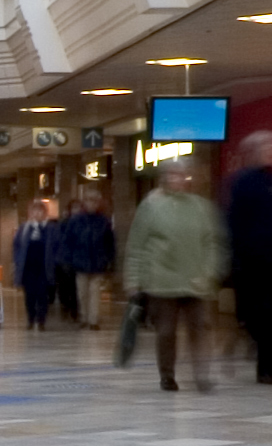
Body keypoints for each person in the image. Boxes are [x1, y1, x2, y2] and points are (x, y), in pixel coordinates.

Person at [124, 155, 226, 392]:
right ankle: (167, 375)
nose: (176, 179)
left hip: (196, 281)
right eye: (171, 174)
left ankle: (202, 374)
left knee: (199, 329)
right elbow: (136, 246)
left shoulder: (200, 206)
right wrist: (133, 280)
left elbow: (213, 242)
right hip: (162, 281)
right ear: (163, 178)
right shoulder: (151, 206)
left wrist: (210, 271)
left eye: (180, 174)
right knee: (166, 332)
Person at [226, 129, 272, 386]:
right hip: (253, 263)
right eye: (267, 147)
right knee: (258, 317)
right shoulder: (242, 182)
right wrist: (237, 256)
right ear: (254, 152)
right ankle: (261, 356)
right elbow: (234, 222)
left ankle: (270, 370)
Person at [60, 183, 117, 330]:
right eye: (89, 200)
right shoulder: (76, 221)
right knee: (82, 292)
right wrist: (67, 260)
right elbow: (68, 241)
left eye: (94, 200)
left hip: (98, 262)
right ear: (84, 202)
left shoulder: (103, 221)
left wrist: (109, 259)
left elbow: (109, 242)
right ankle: (84, 316)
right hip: (80, 261)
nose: (92, 203)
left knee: (95, 292)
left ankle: (93, 320)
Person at [18, 197, 59, 331]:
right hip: (28, 267)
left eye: (40, 211)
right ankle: (31, 318)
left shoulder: (51, 228)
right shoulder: (25, 228)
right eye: (34, 211)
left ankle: (41, 320)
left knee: (42, 295)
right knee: (29, 295)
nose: (37, 214)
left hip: (43, 267)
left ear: (45, 213)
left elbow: (56, 247)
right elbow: (17, 246)